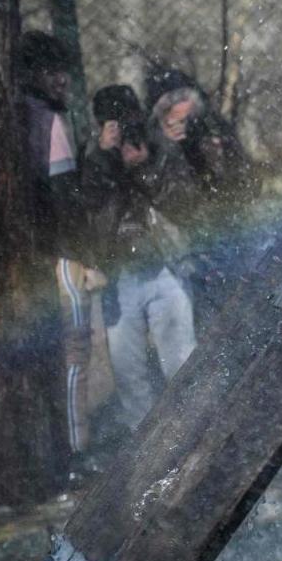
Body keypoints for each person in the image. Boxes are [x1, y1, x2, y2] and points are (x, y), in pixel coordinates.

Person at [17, 31, 111, 453]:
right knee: (75, 350)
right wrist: (85, 259)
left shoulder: (21, 114)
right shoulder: (49, 121)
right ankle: (76, 448)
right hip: (61, 256)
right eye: (50, 71)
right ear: (32, 74)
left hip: (31, 252)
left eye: (63, 71)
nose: (61, 81)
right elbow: (63, 200)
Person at [86, 83, 197, 432]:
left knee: (182, 361)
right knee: (130, 373)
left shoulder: (160, 146)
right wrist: (105, 160)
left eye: (129, 116)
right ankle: (147, 449)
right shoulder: (93, 158)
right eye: (114, 121)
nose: (125, 127)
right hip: (119, 278)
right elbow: (92, 218)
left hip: (164, 267)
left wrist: (145, 168)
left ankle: (196, 432)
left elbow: (184, 205)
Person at [145, 66, 257, 328]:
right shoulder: (151, 147)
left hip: (224, 237)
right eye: (174, 118)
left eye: (189, 116)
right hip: (179, 250)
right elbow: (170, 202)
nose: (184, 124)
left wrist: (219, 158)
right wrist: (169, 149)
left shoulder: (215, 133)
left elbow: (248, 184)